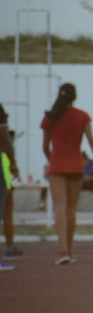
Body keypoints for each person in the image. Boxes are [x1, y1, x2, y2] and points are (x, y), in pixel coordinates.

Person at [40, 83, 93, 266]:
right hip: (76, 167)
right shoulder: (83, 116)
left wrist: (52, 160)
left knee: (59, 207)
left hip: (57, 167)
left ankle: (63, 251)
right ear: (74, 97)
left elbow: (45, 146)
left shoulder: (50, 117)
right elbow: (92, 141)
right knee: (71, 209)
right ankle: (71, 250)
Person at [0, 104, 18, 271]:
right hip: (3, 177)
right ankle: (10, 246)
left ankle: (11, 246)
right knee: (6, 211)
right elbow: (4, 138)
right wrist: (14, 164)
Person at [2, 130, 23, 261]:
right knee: (7, 214)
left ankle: (11, 246)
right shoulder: (6, 152)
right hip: (4, 186)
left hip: (5, 184)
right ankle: (10, 246)